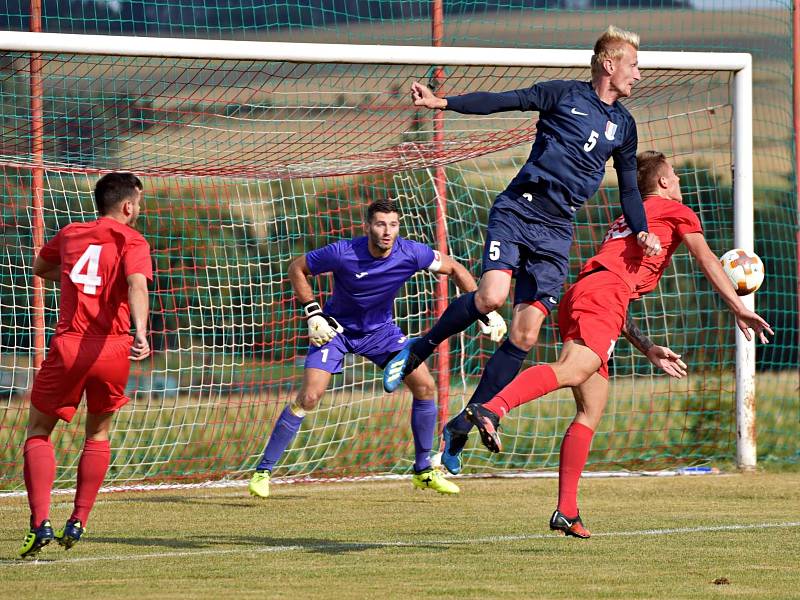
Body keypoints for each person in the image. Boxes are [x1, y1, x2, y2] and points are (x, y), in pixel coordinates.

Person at [383, 26, 662, 475]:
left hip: (556, 232)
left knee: (526, 336)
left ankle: (462, 426)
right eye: (634, 65)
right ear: (609, 64)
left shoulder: (625, 126)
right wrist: (442, 103)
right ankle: (419, 348)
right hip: (518, 210)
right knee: (491, 296)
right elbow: (501, 100)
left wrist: (642, 230)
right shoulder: (561, 95)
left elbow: (629, 189)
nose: (639, 75)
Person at [463, 150, 773, 538]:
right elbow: (707, 258)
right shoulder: (676, 211)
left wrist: (647, 347)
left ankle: (567, 511)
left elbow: (612, 284)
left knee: (591, 408)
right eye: (674, 175)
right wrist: (738, 308)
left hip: (586, 293)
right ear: (662, 182)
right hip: (602, 295)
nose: (678, 181)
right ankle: (493, 407)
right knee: (573, 370)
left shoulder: (629, 218)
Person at [247, 199, 506, 498]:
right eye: (381, 224)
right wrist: (313, 313)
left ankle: (423, 471)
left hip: (381, 334)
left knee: (424, 386)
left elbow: (454, 267)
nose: (387, 231)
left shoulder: (410, 252)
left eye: (393, 224)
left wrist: (483, 310)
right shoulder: (343, 252)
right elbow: (297, 268)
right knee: (309, 396)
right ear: (368, 225)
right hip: (336, 331)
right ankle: (263, 472)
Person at [18, 172, 152, 558]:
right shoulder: (132, 240)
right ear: (128, 206)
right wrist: (140, 331)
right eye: (138, 203)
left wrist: (74, 280)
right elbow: (137, 285)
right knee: (98, 434)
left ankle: (40, 522)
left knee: (39, 431)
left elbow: (41, 269)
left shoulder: (72, 233)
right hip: (112, 350)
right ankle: (78, 519)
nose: (139, 209)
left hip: (70, 346)